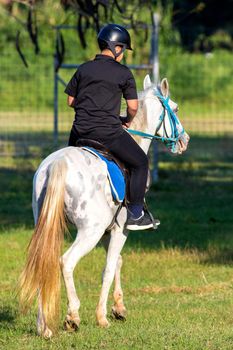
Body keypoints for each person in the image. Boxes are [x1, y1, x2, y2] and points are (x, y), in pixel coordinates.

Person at [64, 23, 156, 231]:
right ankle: (135, 214)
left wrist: (88, 108)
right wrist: (127, 118)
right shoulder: (123, 73)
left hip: (79, 132)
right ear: (117, 47)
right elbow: (133, 107)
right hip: (108, 133)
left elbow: (70, 101)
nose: (123, 54)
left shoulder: (83, 68)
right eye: (123, 49)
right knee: (140, 162)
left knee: (67, 161)